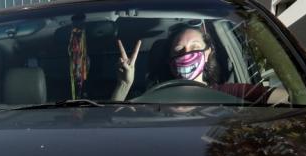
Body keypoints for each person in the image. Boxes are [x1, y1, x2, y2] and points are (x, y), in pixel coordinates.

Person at [112, 25, 269, 104]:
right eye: (179, 49)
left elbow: (288, 98)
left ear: (207, 54)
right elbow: (109, 124)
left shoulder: (230, 93)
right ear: (169, 60)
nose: (186, 53)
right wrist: (124, 85)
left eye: (194, 47)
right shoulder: (150, 99)